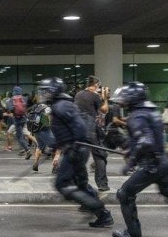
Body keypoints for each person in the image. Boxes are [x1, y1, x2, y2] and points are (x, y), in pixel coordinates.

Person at [111, 82, 168, 237]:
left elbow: (145, 142)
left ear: (133, 99)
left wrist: (130, 162)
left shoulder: (136, 116)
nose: (121, 101)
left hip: (151, 165)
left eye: (124, 98)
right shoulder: (151, 111)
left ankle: (133, 233)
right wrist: (131, 149)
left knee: (124, 193)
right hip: (164, 162)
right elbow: (150, 139)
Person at [38, 77, 114, 228]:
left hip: (75, 150)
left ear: (53, 91)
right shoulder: (61, 104)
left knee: (62, 184)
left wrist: (72, 147)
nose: (44, 94)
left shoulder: (61, 106)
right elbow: (65, 131)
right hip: (77, 149)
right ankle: (103, 215)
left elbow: (79, 128)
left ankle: (97, 207)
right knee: (82, 184)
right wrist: (54, 145)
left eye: (46, 91)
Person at [74, 75, 110, 191]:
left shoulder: (78, 94)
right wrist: (105, 98)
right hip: (91, 130)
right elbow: (105, 110)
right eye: (98, 86)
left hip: (78, 130)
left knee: (79, 158)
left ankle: (80, 184)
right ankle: (102, 184)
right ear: (96, 85)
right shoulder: (94, 95)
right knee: (100, 156)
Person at [6, 86, 31, 159]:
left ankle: (27, 150)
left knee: (19, 137)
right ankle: (24, 150)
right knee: (21, 134)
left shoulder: (11, 100)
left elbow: (10, 109)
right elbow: (26, 107)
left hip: (17, 120)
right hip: (24, 118)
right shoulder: (24, 98)